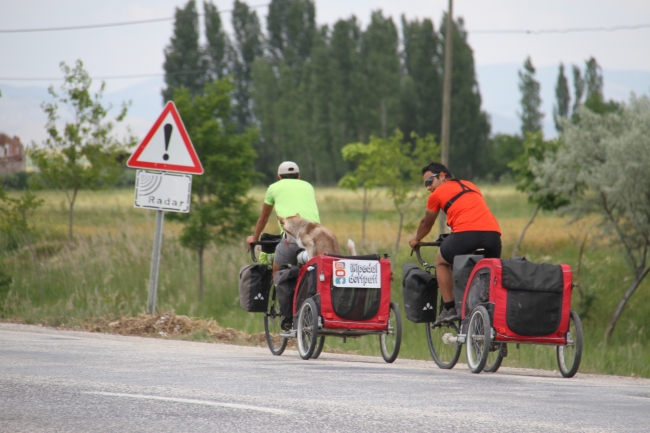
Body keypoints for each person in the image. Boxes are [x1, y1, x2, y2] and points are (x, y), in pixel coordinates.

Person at [408, 162, 501, 323]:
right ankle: (489, 312)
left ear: (442, 176)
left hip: (466, 234)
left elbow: (426, 223)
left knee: (441, 261)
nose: (428, 188)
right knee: (488, 271)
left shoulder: (436, 195)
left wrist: (416, 239)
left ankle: (449, 308)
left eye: (429, 182)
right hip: (493, 236)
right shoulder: (471, 185)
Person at [246, 161, 320, 328]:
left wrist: (254, 237)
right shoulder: (308, 186)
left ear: (279, 177)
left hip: (293, 238)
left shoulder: (274, 187)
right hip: (317, 237)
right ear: (299, 177)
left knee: (277, 269)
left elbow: (263, 218)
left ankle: (287, 315)